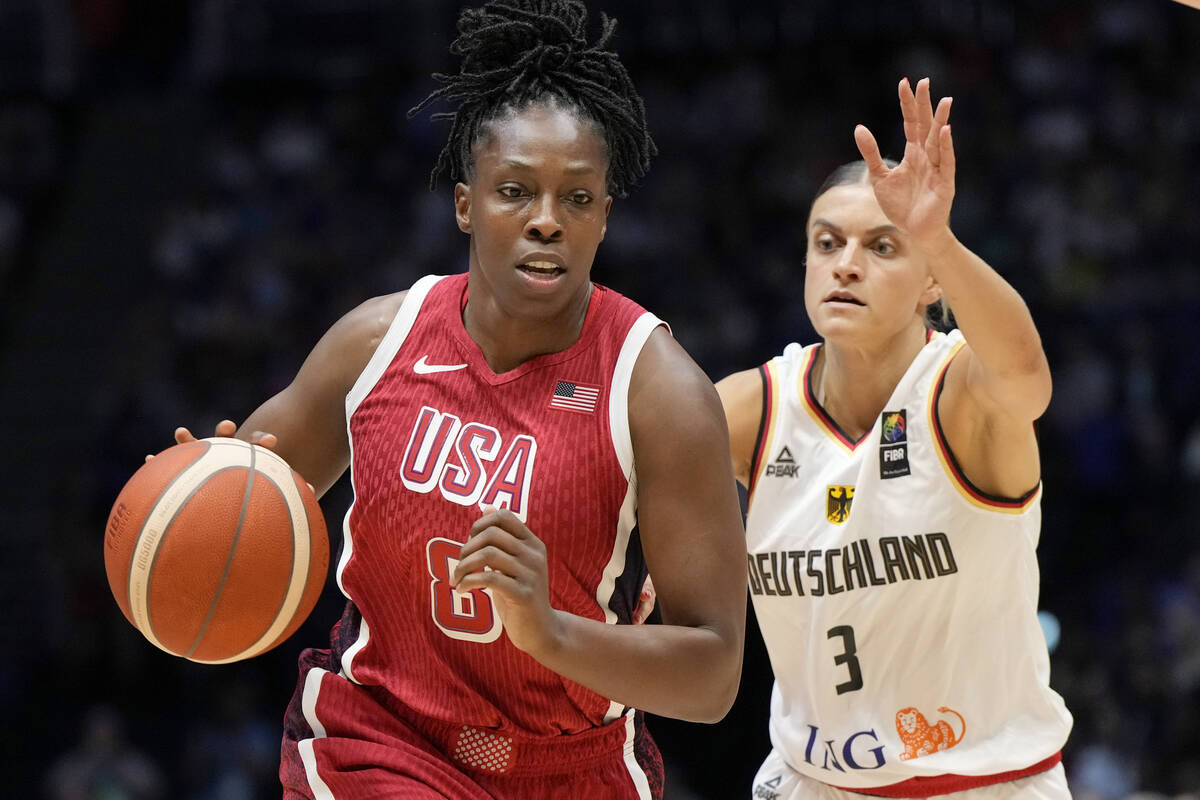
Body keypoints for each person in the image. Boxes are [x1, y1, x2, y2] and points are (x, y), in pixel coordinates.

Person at [167, 2, 747, 798]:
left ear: (605, 219)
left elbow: (713, 676)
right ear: (466, 204)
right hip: (383, 740)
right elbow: (246, 505)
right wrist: (195, 490)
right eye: (516, 191)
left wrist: (550, 633)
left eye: (577, 199)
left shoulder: (659, 392)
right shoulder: (376, 345)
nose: (547, 221)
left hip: (574, 767)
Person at [717, 78, 1073, 798]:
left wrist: (935, 234)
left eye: (883, 246)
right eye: (827, 243)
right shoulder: (753, 407)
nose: (846, 263)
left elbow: (1029, 379)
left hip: (986, 783)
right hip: (811, 781)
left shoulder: (960, 393)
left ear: (929, 284)